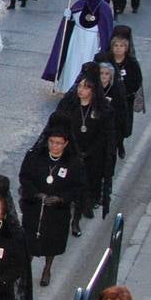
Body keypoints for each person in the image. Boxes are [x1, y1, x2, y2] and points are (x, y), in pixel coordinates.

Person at [19, 119, 84, 286]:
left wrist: (61, 198)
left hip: (57, 210)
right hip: (34, 206)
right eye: (52, 142)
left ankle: (47, 268)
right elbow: (25, 177)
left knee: (51, 240)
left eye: (59, 143)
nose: (55, 146)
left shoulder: (73, 163)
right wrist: (36, 194)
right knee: (30, 239)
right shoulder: (35, 157)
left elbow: (77, 187)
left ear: (66, 144)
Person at [55, 64, 118, 223]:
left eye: (86, 87)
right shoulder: (70, 106)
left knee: (85, 189)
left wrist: (88, 152)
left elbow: (104, 136)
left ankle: (78, 219)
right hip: (71, 153)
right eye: (80, 86)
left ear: (93, 90)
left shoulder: (103, 110)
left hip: (91, 156)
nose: (81, 90)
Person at [95, 28, 143, 158]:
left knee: (120, 125)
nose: (118, 49)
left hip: (124, 100)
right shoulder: (106, 60)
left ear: (126, 48)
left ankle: (119, 144)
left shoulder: (131, 63)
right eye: (116, 45)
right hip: (107, 97)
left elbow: (137, 80)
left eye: (121, 46)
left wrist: (124, 92)